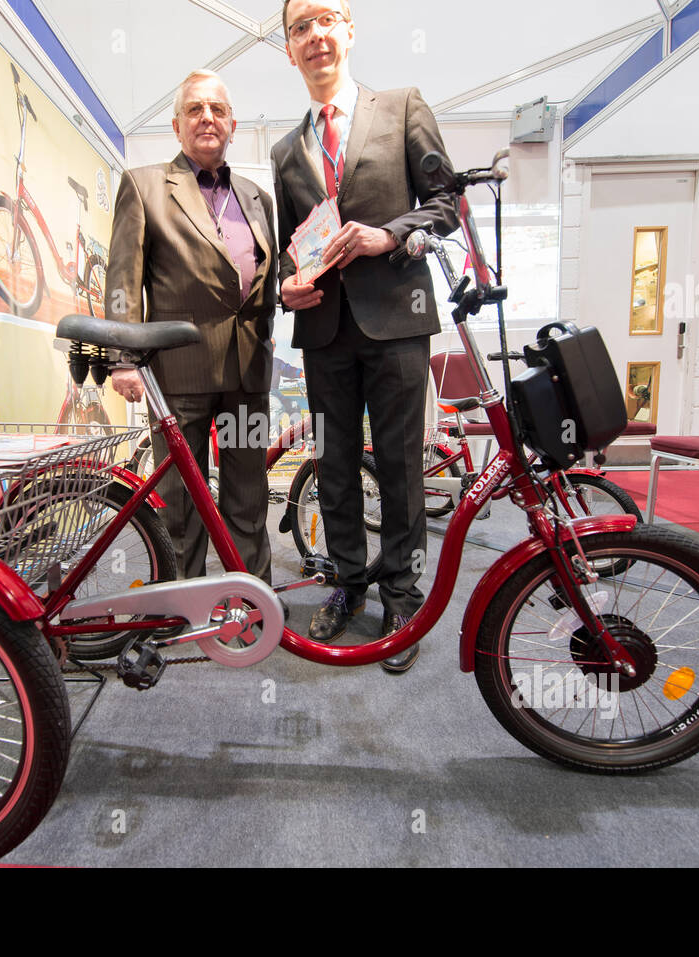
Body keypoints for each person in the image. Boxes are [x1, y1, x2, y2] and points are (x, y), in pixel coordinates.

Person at [271, 0, 457, 673]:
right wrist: (286, 287)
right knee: (335, 467)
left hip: (397, 318)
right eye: (300, 27)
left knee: (404, 467)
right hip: (323, 330)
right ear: (288, 49)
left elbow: (446, 205)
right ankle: (349, 582)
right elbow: (291, 247)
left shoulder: (403, 105)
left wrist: (388, 235)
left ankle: (402, 595)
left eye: (326, 18)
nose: (315, 34)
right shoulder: (284, 149)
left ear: (348, 30)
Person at [106, 70, 277, 584]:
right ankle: (187, 596)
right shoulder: (145, 186)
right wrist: (122, 358)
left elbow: (269, 276)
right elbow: (123, 277)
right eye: (196, 109)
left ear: (232, 125)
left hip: (247, 375)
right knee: (182, 495)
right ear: (177, 125)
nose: (208, 118)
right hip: (178, 376)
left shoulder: (256, 197)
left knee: (247, 492)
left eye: (218, 110)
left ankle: (254, 595)